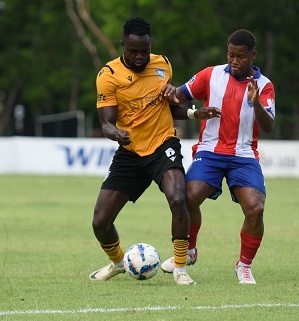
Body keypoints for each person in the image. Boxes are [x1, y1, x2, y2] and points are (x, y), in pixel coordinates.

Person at [89, 17, 216, 285]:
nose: (139, 57)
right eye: (133, 51)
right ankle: (118, 263)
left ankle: (180, 268)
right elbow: (106, 123)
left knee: (178, 199)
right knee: (100, 221)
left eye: (144, 51)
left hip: (162, 145)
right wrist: (117, 134)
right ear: (122, 44)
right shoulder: (108, 76)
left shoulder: (163, 65)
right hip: (130, 151)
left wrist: (193, 113)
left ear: (150, 46)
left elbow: (168, 105)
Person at [161, 29, 276, 284]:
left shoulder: (265, 85)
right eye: (231, 55)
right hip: (210, 152)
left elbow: (268, 126)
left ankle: (244, 265)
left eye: (241, 57)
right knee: (188, 196)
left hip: (244, 155)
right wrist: (171, 92)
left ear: (253, 55)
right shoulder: (210, 74)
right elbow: (179, 95)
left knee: (255, 208)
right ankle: (189, 251)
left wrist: (256, 102)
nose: (234, 61)